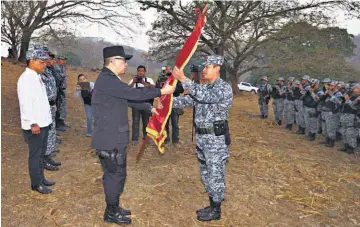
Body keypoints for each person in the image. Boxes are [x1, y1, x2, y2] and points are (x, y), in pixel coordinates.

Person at [91, 46, 175, 225]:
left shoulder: (110, 80)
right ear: (113, 61)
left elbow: (126, 99)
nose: (126, 64)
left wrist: (149, 107)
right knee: (115, 175)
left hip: (113, 138)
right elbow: (133, 93)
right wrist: (161, 91)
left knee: (117, 174)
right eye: (123, 60)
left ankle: (114, 207)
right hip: (110, 139)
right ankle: (111, 213)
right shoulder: (108, 80)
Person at [172, 55, 233, 222]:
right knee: (205, 173)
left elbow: (204, 97)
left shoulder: (223, 88)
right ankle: (213, 201)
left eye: (207, 67)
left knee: (215, 174)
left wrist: (183, 79)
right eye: (204, 67)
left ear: (217, 69)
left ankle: (216, 209)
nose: (204, 70)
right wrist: (167, 100)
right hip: (202, 137)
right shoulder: (205, 87)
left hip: (215, 139)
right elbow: (189, 99)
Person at [17, 48, 55, 194]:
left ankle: (41, 178)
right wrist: (32, 122)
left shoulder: (36, 76)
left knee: (41, 153)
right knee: (35, 155)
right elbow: (25, 104)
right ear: (32, 61)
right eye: (41, 62)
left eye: (45, 61)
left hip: (43, 123)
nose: (44, 64)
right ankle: (36, 184)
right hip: (35, 125)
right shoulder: (26, 79)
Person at [38, 47, 61, 171]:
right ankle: (43, 158)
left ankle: (48, 155)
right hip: (44, 106)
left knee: (51, 131)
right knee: (45, 133)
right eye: (45, 55)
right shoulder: (39, 72)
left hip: (51, 105)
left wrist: (54, 103)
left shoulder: (49, 71)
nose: (47, 58)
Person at [156, 66, 184, 144]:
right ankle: (166, 139)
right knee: (165, 123)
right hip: (164, 104)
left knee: (175, 123)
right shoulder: (160, 79)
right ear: (165, 71)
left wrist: (172, 88)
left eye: (170, 69)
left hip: (174, 104)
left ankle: (175, 140)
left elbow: (181, 90)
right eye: (167, 69)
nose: (168, 71)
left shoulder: (176, 79)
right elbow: (157, 89)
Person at [128, 65, 155, 144]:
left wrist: (145, 83)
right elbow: (127, 90)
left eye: (142, 71)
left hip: (146, 104)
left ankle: (146, 138)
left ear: (145, 72)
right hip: (136, 104)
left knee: (146, 121)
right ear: (137, 72)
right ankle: (134, 139)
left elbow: (154, 88)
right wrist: (133, 82)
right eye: (139, 71)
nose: (140, 72)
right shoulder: (133, 80)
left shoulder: (149, 80)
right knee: (135, 121)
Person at [339, 83, 360, 154]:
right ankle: (346, 146)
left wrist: (347, 100)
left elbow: (354, 107)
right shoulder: (349, 95)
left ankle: (351, 148)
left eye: (354, 88)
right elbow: (340, 103)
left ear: (358, 89)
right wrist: (344, 99)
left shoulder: (358, 97)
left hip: (352, 116)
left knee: (350, 132)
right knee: (344, 131)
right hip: (344, 115)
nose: (352, 89)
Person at [321, 81, 343, 147]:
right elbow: (322, 100)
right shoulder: (328, 92)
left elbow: (339, 103)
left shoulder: (339, 94)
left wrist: (331, 95)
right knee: (325, 127)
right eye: (329, 85)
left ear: (335, 86)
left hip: (332, 113)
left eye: (331, 85)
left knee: (331, 127)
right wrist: (326, 93)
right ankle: (326, 140)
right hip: (325, 111)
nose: (329, 86)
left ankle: (331, 142)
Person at [55, 56, 69, 131]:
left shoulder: (63, 67)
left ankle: (61, 121)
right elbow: (59, 78)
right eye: (62, 60)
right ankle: (58, 123)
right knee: (58, 106)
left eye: (65, 60)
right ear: (59, 60)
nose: (64, 62)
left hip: (62, 89)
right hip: (58, 89)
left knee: (63, 105)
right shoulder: (56, 67)